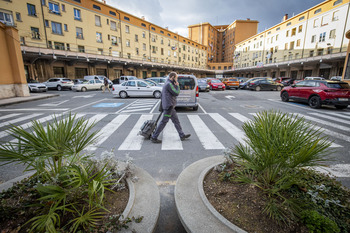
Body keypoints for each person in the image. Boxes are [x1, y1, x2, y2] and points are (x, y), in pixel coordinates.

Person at [151, 72, 191, 143]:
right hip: (169, 107)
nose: (177, 79)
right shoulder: (169, 84)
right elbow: (176, 92)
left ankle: (181, 135)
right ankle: (154, 137)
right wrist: (177, 86)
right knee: (163, 122)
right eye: (176, 78)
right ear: (172, 77)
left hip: (170, 106)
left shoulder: (168, 83)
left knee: (176, 121)